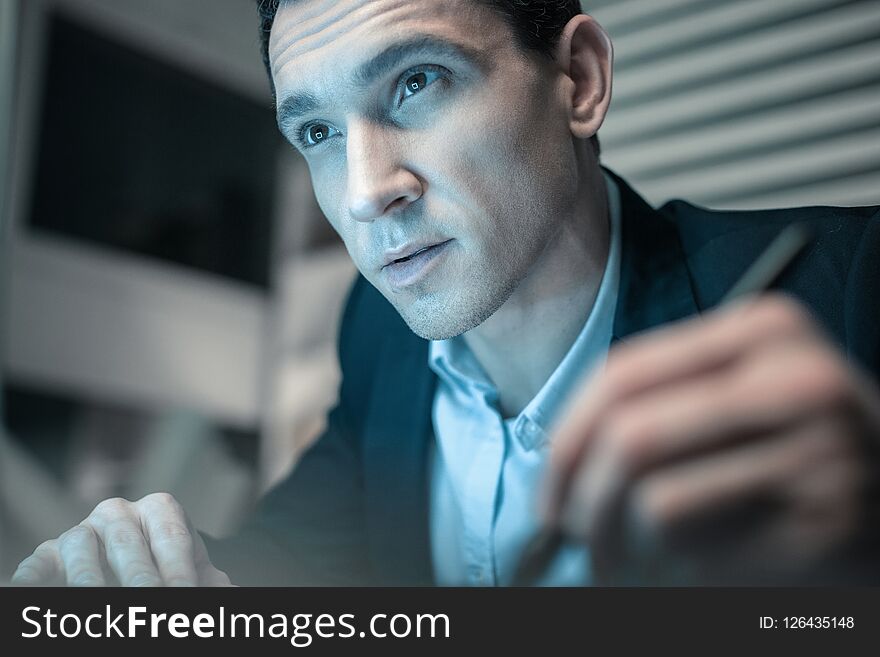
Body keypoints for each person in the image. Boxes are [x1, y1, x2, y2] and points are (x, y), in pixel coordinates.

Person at [12, 0, 880, 587]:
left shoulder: (848, 292)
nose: (362, 191)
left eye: (416, 81)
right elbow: (296, 554)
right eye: (315, 130)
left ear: (578, 78)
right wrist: (166, 579)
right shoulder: (380, 332)